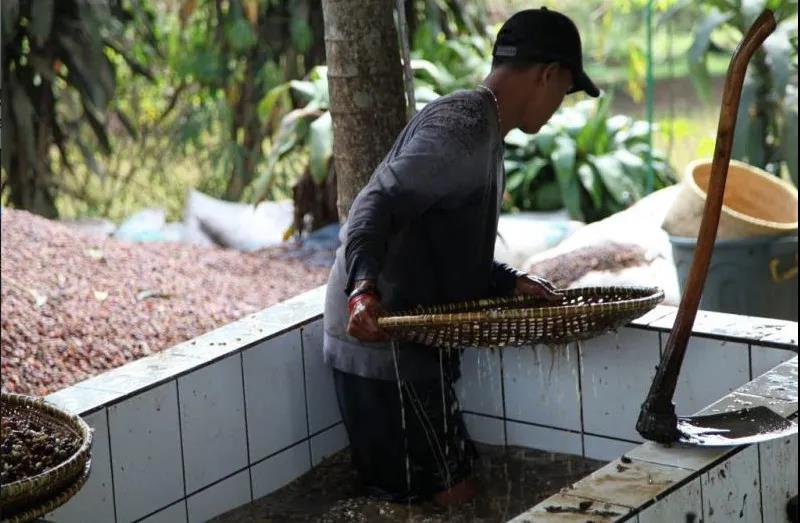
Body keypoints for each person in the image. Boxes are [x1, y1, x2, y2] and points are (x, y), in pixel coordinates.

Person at [323, 7, 600, 506]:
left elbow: (437, 244)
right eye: (566, 89)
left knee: (449, 498)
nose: (561, 103)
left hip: (411, 340)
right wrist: (362, 290)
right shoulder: (464, 127)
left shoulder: (484, 131)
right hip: (384, 344)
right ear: (548, 75)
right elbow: (373, 204)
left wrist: (508, 282)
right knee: (456, 502)